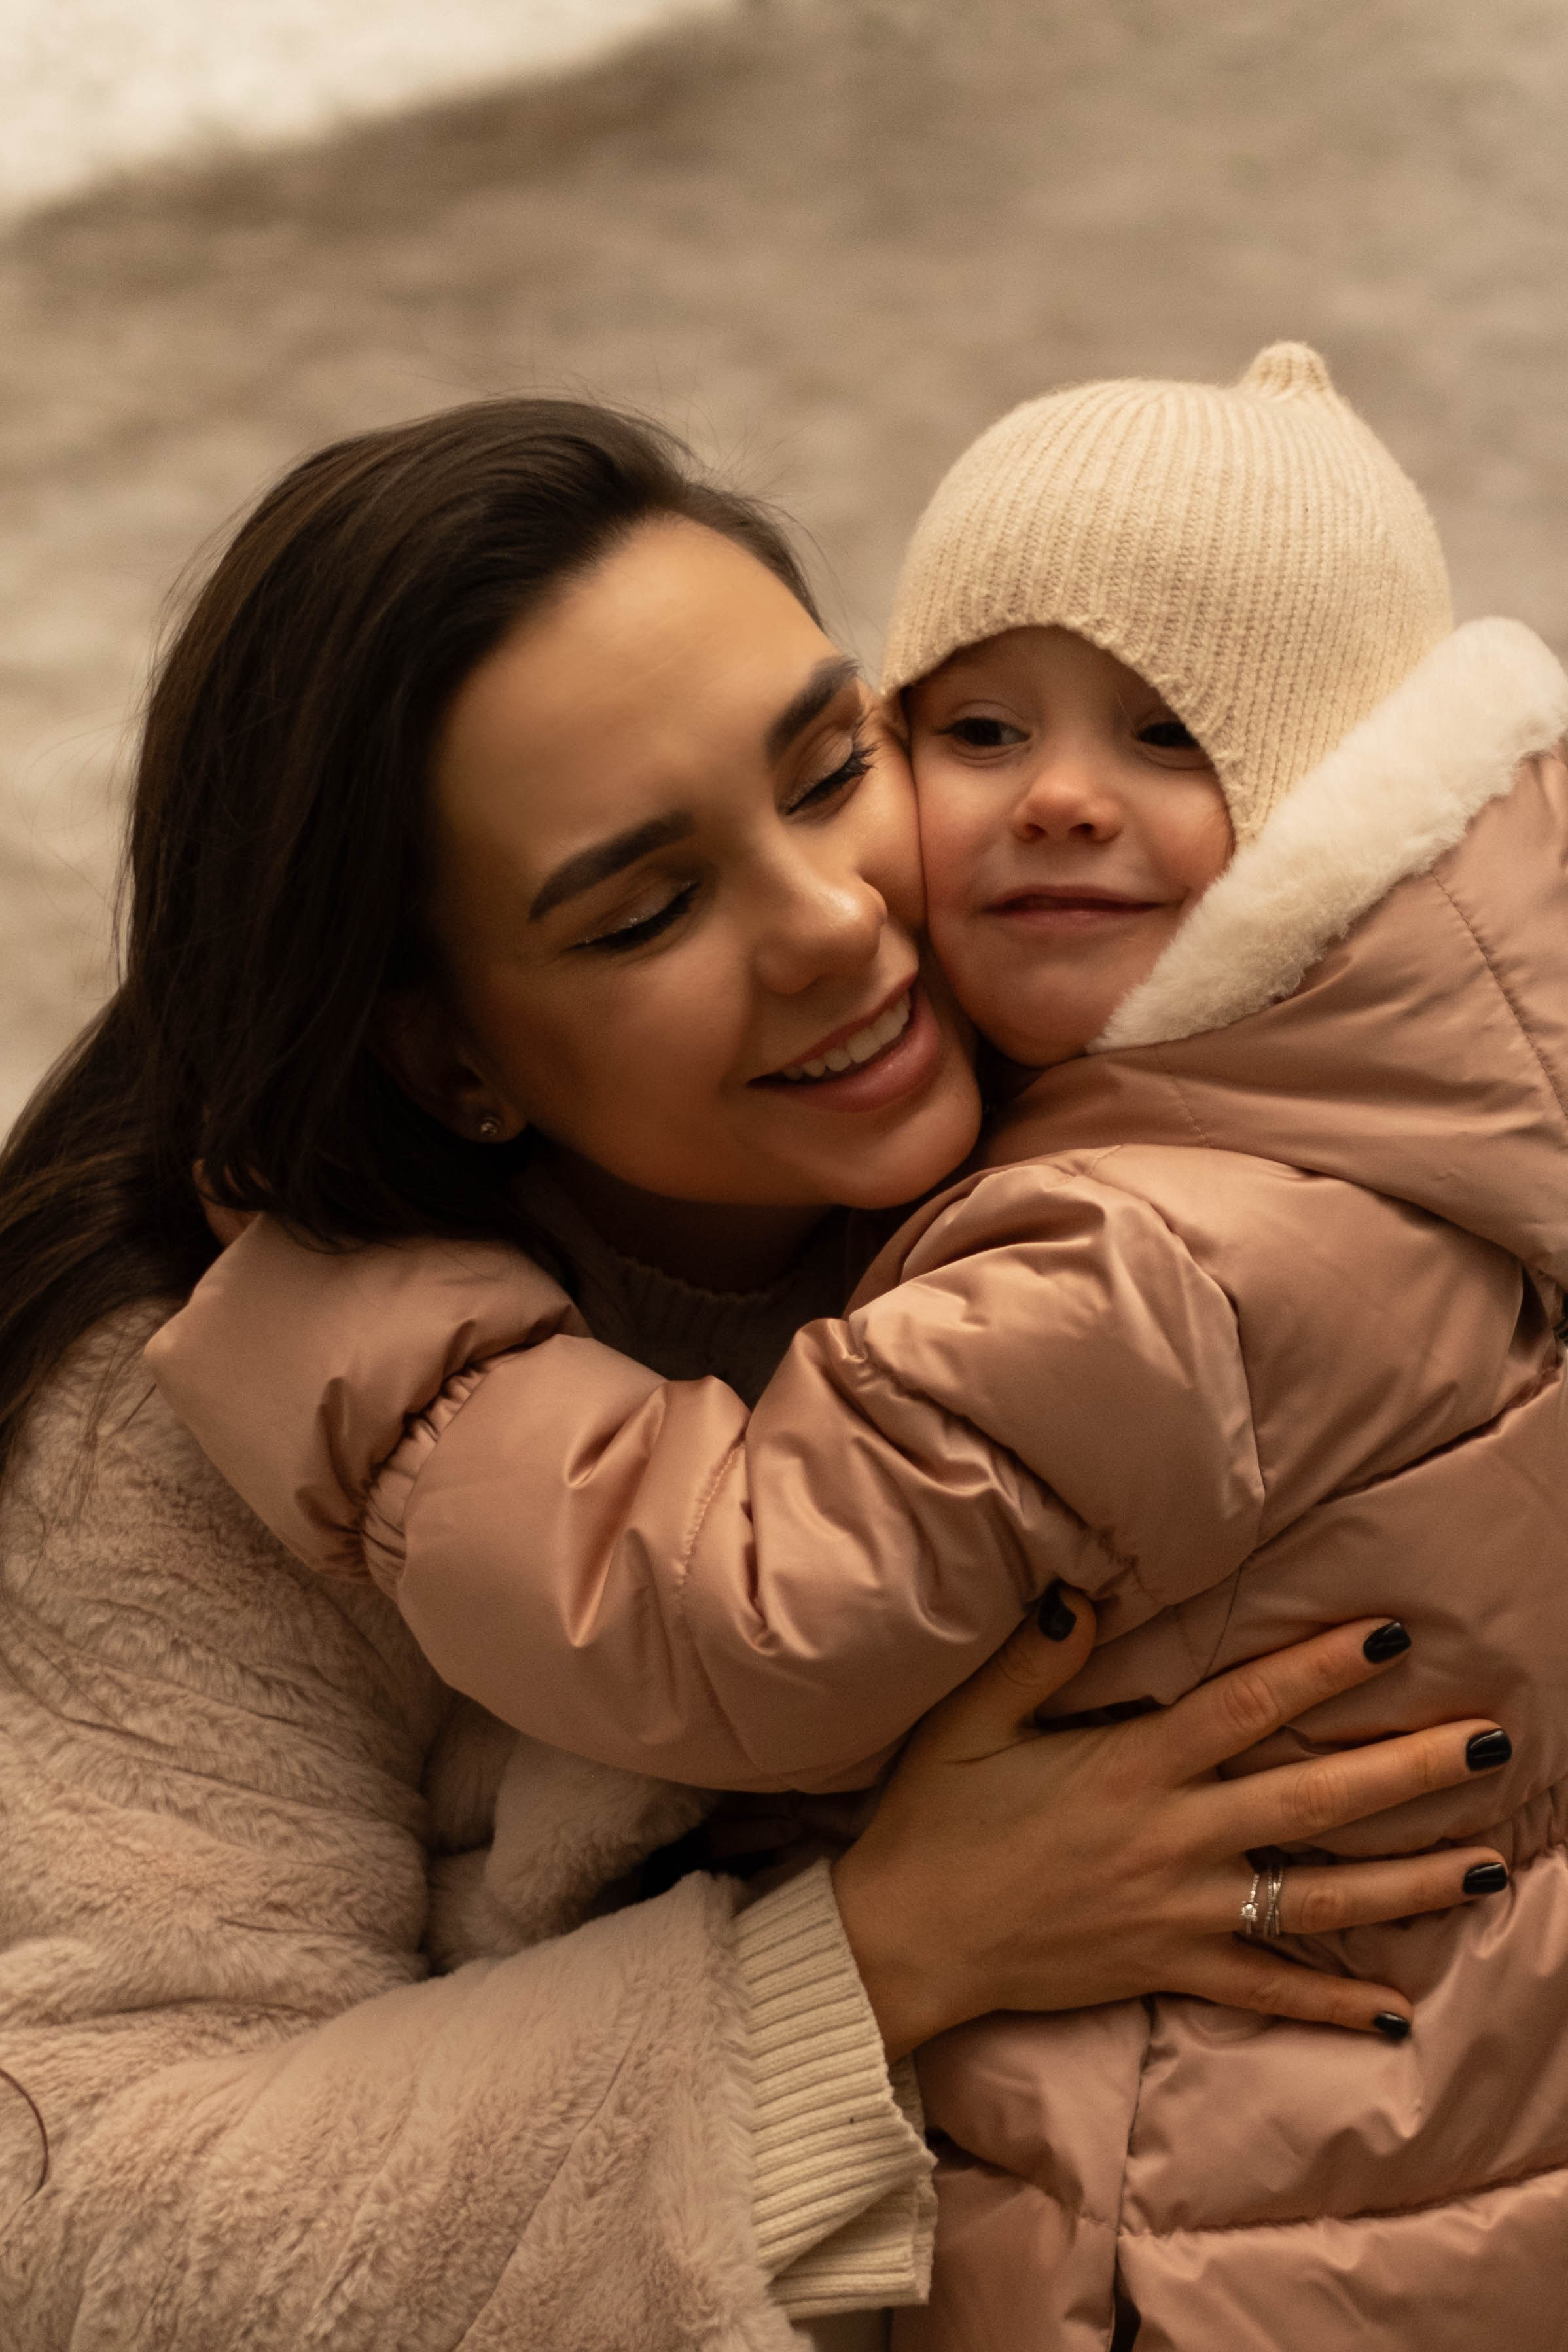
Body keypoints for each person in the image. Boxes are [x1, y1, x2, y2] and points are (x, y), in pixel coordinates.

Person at [0, 401, 1497, 2352]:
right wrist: (887, 1950)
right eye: (647, 910)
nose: (836, 923)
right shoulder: (192, 1413)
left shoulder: (1156, 1084)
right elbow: (88, 2223)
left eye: (829, 768)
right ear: (449, 1056)